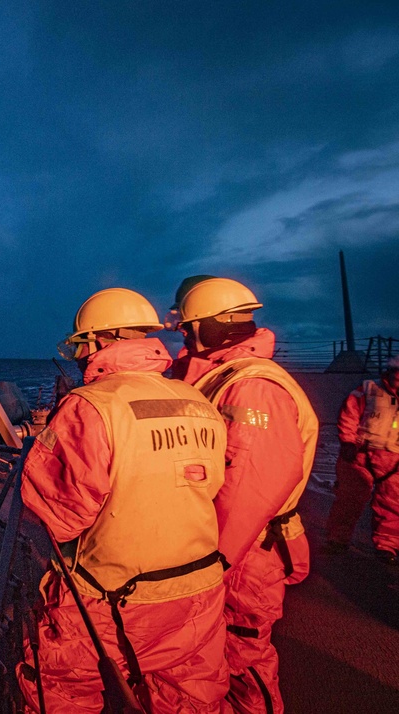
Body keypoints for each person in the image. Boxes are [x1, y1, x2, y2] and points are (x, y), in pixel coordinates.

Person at [18, 288, 229, 713]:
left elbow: (55, 517)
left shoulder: (90, 406)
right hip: (200, 589)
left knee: (62, 689)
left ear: (98, 342)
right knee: (190, 696)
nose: (79, 355)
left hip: (113, 598)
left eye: (81, 344)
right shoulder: (197, 399)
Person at [173, 277, 318, 714]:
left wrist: (211, 560)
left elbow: (254, 482)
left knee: (243, 654)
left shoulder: (253, 387)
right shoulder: (225, 377)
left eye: (187, 326)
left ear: (208, 328)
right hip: (239, 544)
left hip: (246, 550)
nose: (181, 334)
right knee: (220, 652)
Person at [326, 355, 399, 562]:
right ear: (390, 372)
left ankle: (387, 546)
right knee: (349, 499)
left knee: (392, 504)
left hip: (394, 459)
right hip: (361, 454)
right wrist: (348, 442)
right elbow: (349, 415)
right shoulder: (368, 390)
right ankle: (337, 539)